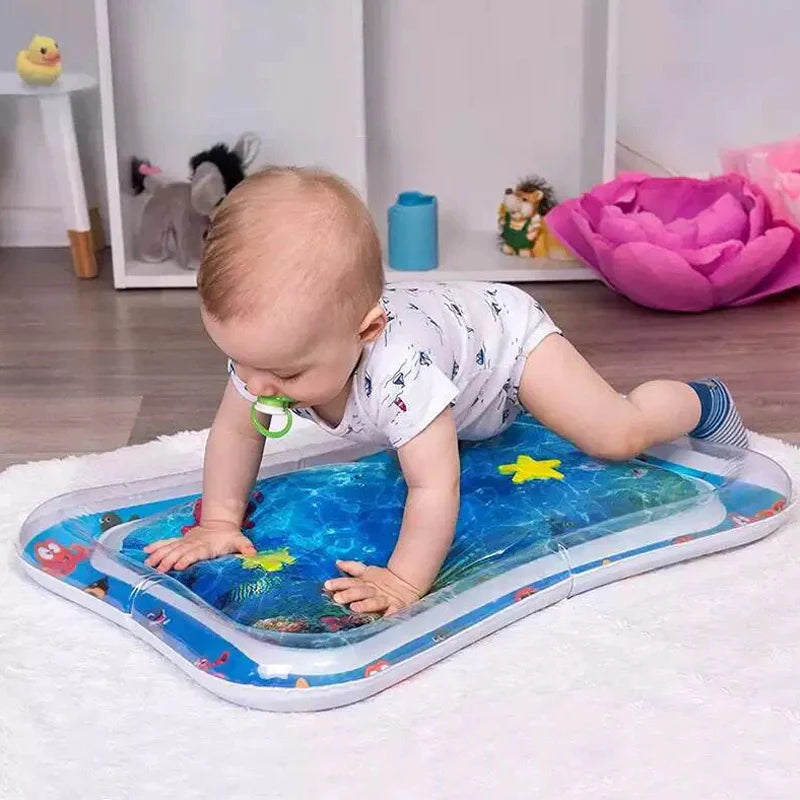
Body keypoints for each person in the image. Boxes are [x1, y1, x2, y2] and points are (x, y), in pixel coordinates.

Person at [144, 167, 748, 615]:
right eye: (240, 361)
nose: (257, 386)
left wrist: (404, 581)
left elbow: (434, 486)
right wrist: (218, 520)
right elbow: (234, 431)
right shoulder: (268, 360)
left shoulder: (399, 371)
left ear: (366, 331)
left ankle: (701, 400)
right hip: (456, 359)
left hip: (506, 343)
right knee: (436, 434)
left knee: (614, 435)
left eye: (286, 374)